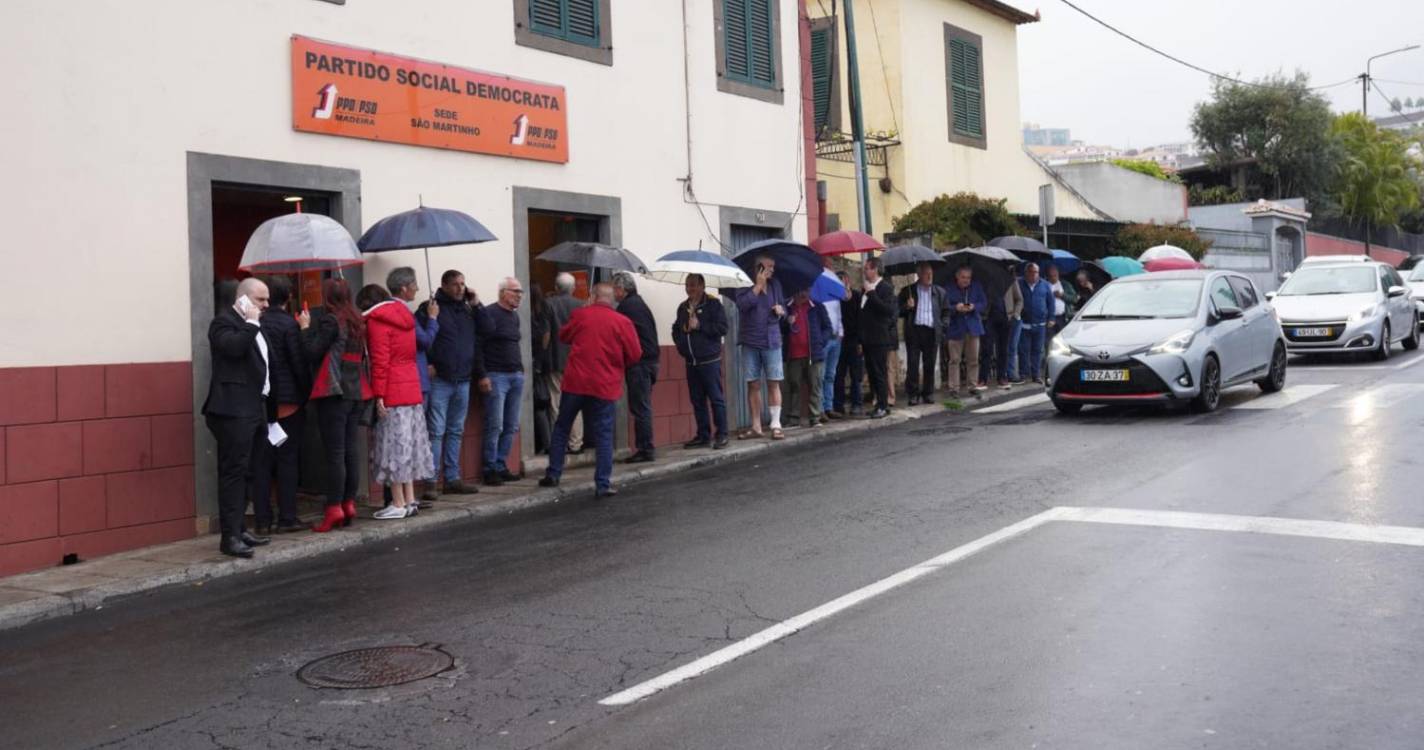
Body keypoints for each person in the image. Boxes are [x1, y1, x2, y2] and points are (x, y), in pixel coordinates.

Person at [539, 283, 642, 498]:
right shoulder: (623, 321)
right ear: (612, 299)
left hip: (576, 382)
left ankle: (554, 473)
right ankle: (602, 484)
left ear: (593, 296)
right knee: (604, 435)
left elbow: (564, 336)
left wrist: (585, 310)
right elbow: (635, 354)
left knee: (562, 427)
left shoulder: (581, 315)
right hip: (605, 385)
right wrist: (617, 363)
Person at [202, 277, 274, 559]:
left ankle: (240, 528)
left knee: (248, 472)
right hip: (232, 411)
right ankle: (229, 537)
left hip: (255, 409)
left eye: (267, 299)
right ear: (242, 299)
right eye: (260, 299)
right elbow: (233, 348)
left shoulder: (255, 326)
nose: (266, 305)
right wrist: (252, 323)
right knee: (233, 474)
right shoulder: (223, 323)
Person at [305, 278, 372, 533]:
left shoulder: (331, 321)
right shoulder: (357, 321)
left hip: (334, 393)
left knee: (334, 454)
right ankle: (348, 503)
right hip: (356, 392)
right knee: (350, 452)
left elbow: (312, 351)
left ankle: (334, 508)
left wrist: (304, 328)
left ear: (328, 298)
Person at [364, 280, 435, 520]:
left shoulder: (377, 321)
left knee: (393, 447)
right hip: (411, 387)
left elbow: (380, 361)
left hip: (392, 390)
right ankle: (410, 499)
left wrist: (379, 395)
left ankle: (397, 502)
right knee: (409, 446)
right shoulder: (405, 315)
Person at [250, 276, 310, 536]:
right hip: (288, 402)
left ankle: (263, 519)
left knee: (261, 462)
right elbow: (298, 363)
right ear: (288, 298)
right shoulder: (289, 325)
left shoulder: (255, 323)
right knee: (287, 459)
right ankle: (287, 517)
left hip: (261, 401)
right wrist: (305, 393)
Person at [419, 270, 484, 501]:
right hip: (441, 380)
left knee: (456, 430)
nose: (460, 288)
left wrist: (477, 303)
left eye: (463, 284)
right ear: (444, 285)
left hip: (464, 378)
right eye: (456, 284)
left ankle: (452, 478)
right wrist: (427, 362)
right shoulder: (430, 307)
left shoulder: (467, 308)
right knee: (436, 431)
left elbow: (488, 329)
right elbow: (419, 339)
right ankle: (430, 481)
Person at [672, 273, 729, 449]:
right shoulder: (683, 307)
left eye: (694, 285)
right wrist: (681, 344)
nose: (690, 289)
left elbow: (722, 328)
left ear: (702, 286)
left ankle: (722, 434)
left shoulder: (713, 305)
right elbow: (676, 329)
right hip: (691, 362)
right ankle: (703, 435)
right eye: (688, 285)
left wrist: (700, 326)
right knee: (697, 400)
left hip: (709, 361)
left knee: (716, 399)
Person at [479, 276, 525, 486]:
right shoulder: (489, 313)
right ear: (503, 293)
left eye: (520, 292)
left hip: (515, 375)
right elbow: (478, 346)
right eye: (515, 291)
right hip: (496, 375)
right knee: (495, 425)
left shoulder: (514, 317)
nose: (519, 296)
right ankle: (489, 468)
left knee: (512, 425)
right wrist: (483, 374)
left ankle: (500, 463)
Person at [734, 255, 787, 440]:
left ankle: (775, 424)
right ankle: (756, 426)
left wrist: (781, 310)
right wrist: (757, 286)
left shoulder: (776, 285)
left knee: (774, 382)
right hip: (750, 341)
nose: (773, 269)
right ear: (759, 267)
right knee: (753, 384)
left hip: (772, 340)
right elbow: (742, 305)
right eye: (769, 266)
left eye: (774, 265)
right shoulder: (743, 283)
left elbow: (785, 308)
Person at [613, 273, 659, 463]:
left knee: (641, 408)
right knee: (643, 407)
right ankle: (645, 447)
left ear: (622, 290)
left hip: (640, 364)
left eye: (615, 289)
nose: (614, 293)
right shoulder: (638, 303)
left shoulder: (627, 307)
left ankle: (645, 448)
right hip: (650, 362)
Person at [897, 262, 948, 406]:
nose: (929, 276)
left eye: (931, 273)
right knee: (913, 364)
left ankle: (928, 393)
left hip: (932, 331)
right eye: (926, 273)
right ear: (918, 275)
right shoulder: (908, 291)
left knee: (929, 364)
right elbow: (898, 310)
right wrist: (907, 306)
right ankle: (913, 394)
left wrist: (943, 325)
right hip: (915, 331)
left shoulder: (939, 292)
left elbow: (946, 312)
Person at [545, 272, 585, 453]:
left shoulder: (548, 304)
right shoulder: (581, 306)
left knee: (556, 401)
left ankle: (559, 441)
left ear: (555, 287)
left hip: (555, 359)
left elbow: (546, 334)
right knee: (575, 402)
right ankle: (576, 442)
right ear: (573, 288)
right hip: (577, 360)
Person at [782, 288, 833, 426]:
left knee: (815, 385)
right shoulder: (786, 307)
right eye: (801, 290)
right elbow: (779, 328)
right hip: (793, 354)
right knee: (794, 386)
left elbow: (828, 328)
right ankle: (793, 418)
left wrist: (820, 341)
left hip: (814, 354)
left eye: (807, 290)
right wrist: (787, 322)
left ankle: (815, 417)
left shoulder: (817, 306)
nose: (804, 293)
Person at [859, 256, 897, 419]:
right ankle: (877, 404)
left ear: (875, 269)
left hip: (879, 338)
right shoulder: (865, 287)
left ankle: (883, 404)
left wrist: (872, 294)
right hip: (867, 338)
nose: (864, 271)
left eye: (867, 268)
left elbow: (887, 310)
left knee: (880, 373)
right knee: (872, 374)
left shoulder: (885, 288)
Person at [945, 266, 989, 398]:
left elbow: (984, 303)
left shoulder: (976, 286)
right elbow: (945, 306)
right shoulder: (949, 288)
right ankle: (954, 388)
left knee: (973, 359)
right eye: (963, 277)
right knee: (954, 360)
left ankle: (972, 386)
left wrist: (974, 307)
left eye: (968, 277)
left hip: (973, 327)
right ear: (957, 277)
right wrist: (955, 308)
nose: (966, 280)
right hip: (956, 328)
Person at [979, 275, 1021, 390]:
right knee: (986, 349)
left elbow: (1019, 299)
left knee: (1003, 350)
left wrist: (1015, 315)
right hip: (989, 318)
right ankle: (983, 378)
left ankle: (1002, 377)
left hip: (1006, 318)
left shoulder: (1011, 280)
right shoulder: (986, 280)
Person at [1017, 262, 1055, 384]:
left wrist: (1051, 318)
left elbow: (1051, 302)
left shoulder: (1044, 285)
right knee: (1023, 350)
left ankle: (1036, 375)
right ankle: (1023, 374)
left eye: (1036, 273)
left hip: (1040, 324)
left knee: (1037, 351)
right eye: (1031, 272)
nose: (1033, 275)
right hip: (1024, 323)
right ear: (1026, 273)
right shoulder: (1019, 284)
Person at [832, 271, 864, 417]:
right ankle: (838, 405)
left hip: (854, 339)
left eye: (843, 280)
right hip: (839, 340)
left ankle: (856, 404)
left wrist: (860, 341)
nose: (841, 283)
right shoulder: (835, 298)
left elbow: (861, 320)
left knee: (856, 374)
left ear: (848, 280)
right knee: (838, 374)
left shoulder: (857, 296)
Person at [530, 283, 554, 455]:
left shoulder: (531, 314)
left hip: (536, 363)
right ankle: (546, 442)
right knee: (543, 402)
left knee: (539, 404)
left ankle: (546, 442)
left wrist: (537, 361)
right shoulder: (543, 309)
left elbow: (545, 335)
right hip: (542, 362)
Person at [820, 274, 844, 419]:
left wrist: (841, 331)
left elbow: (838, 315)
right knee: (821, 374)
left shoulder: (834, 297)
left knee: (831, 374)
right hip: (825, 339)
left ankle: (829, 406)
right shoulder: (818, 297)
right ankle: (821, 408)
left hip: (836, 338)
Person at [1045, 264, 1078, 335]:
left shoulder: (1065, 284)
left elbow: (1075, 299)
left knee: (1062, 338)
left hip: (1063, 317)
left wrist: (1062, 295)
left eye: (1055, 275)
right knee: (1049, 339)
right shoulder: (1044, 285)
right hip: (1049, 318)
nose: (1053, 278)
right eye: (1051, 276)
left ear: (1058, 274)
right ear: (1047, 276)